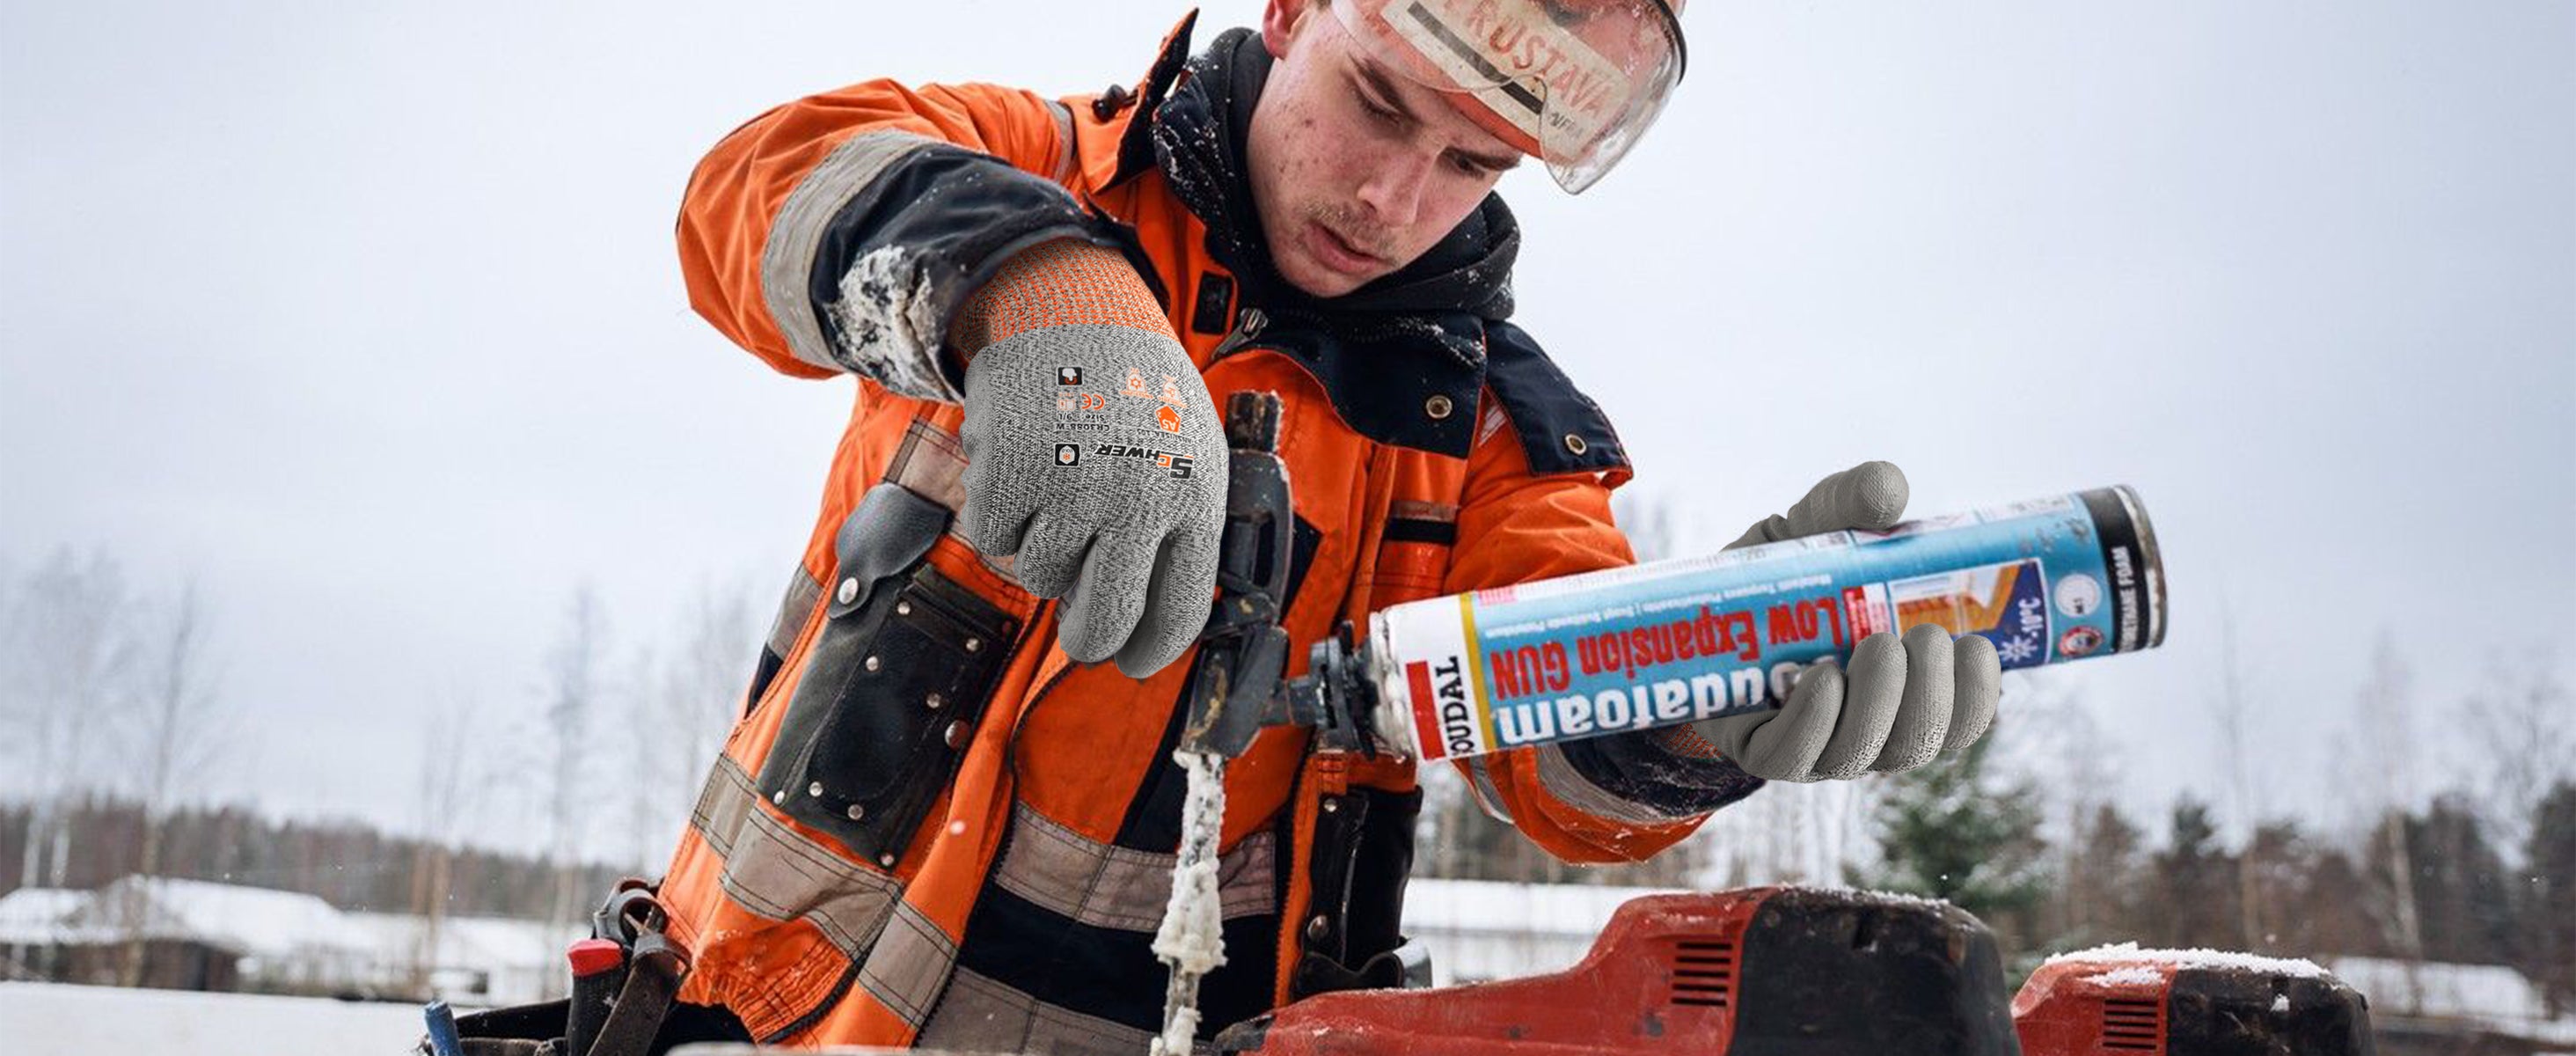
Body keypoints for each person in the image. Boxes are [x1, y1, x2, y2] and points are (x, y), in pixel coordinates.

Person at [655, 1, 2002, 1051]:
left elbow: (1562, 752)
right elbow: (750, 188)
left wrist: (1706, 701)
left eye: (1472, 161)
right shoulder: (1046, 168)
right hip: (762, 1017)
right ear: (1294, 14)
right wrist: (1030, 280)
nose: (1392, 201)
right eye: (1376, 104)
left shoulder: (1494, 446)